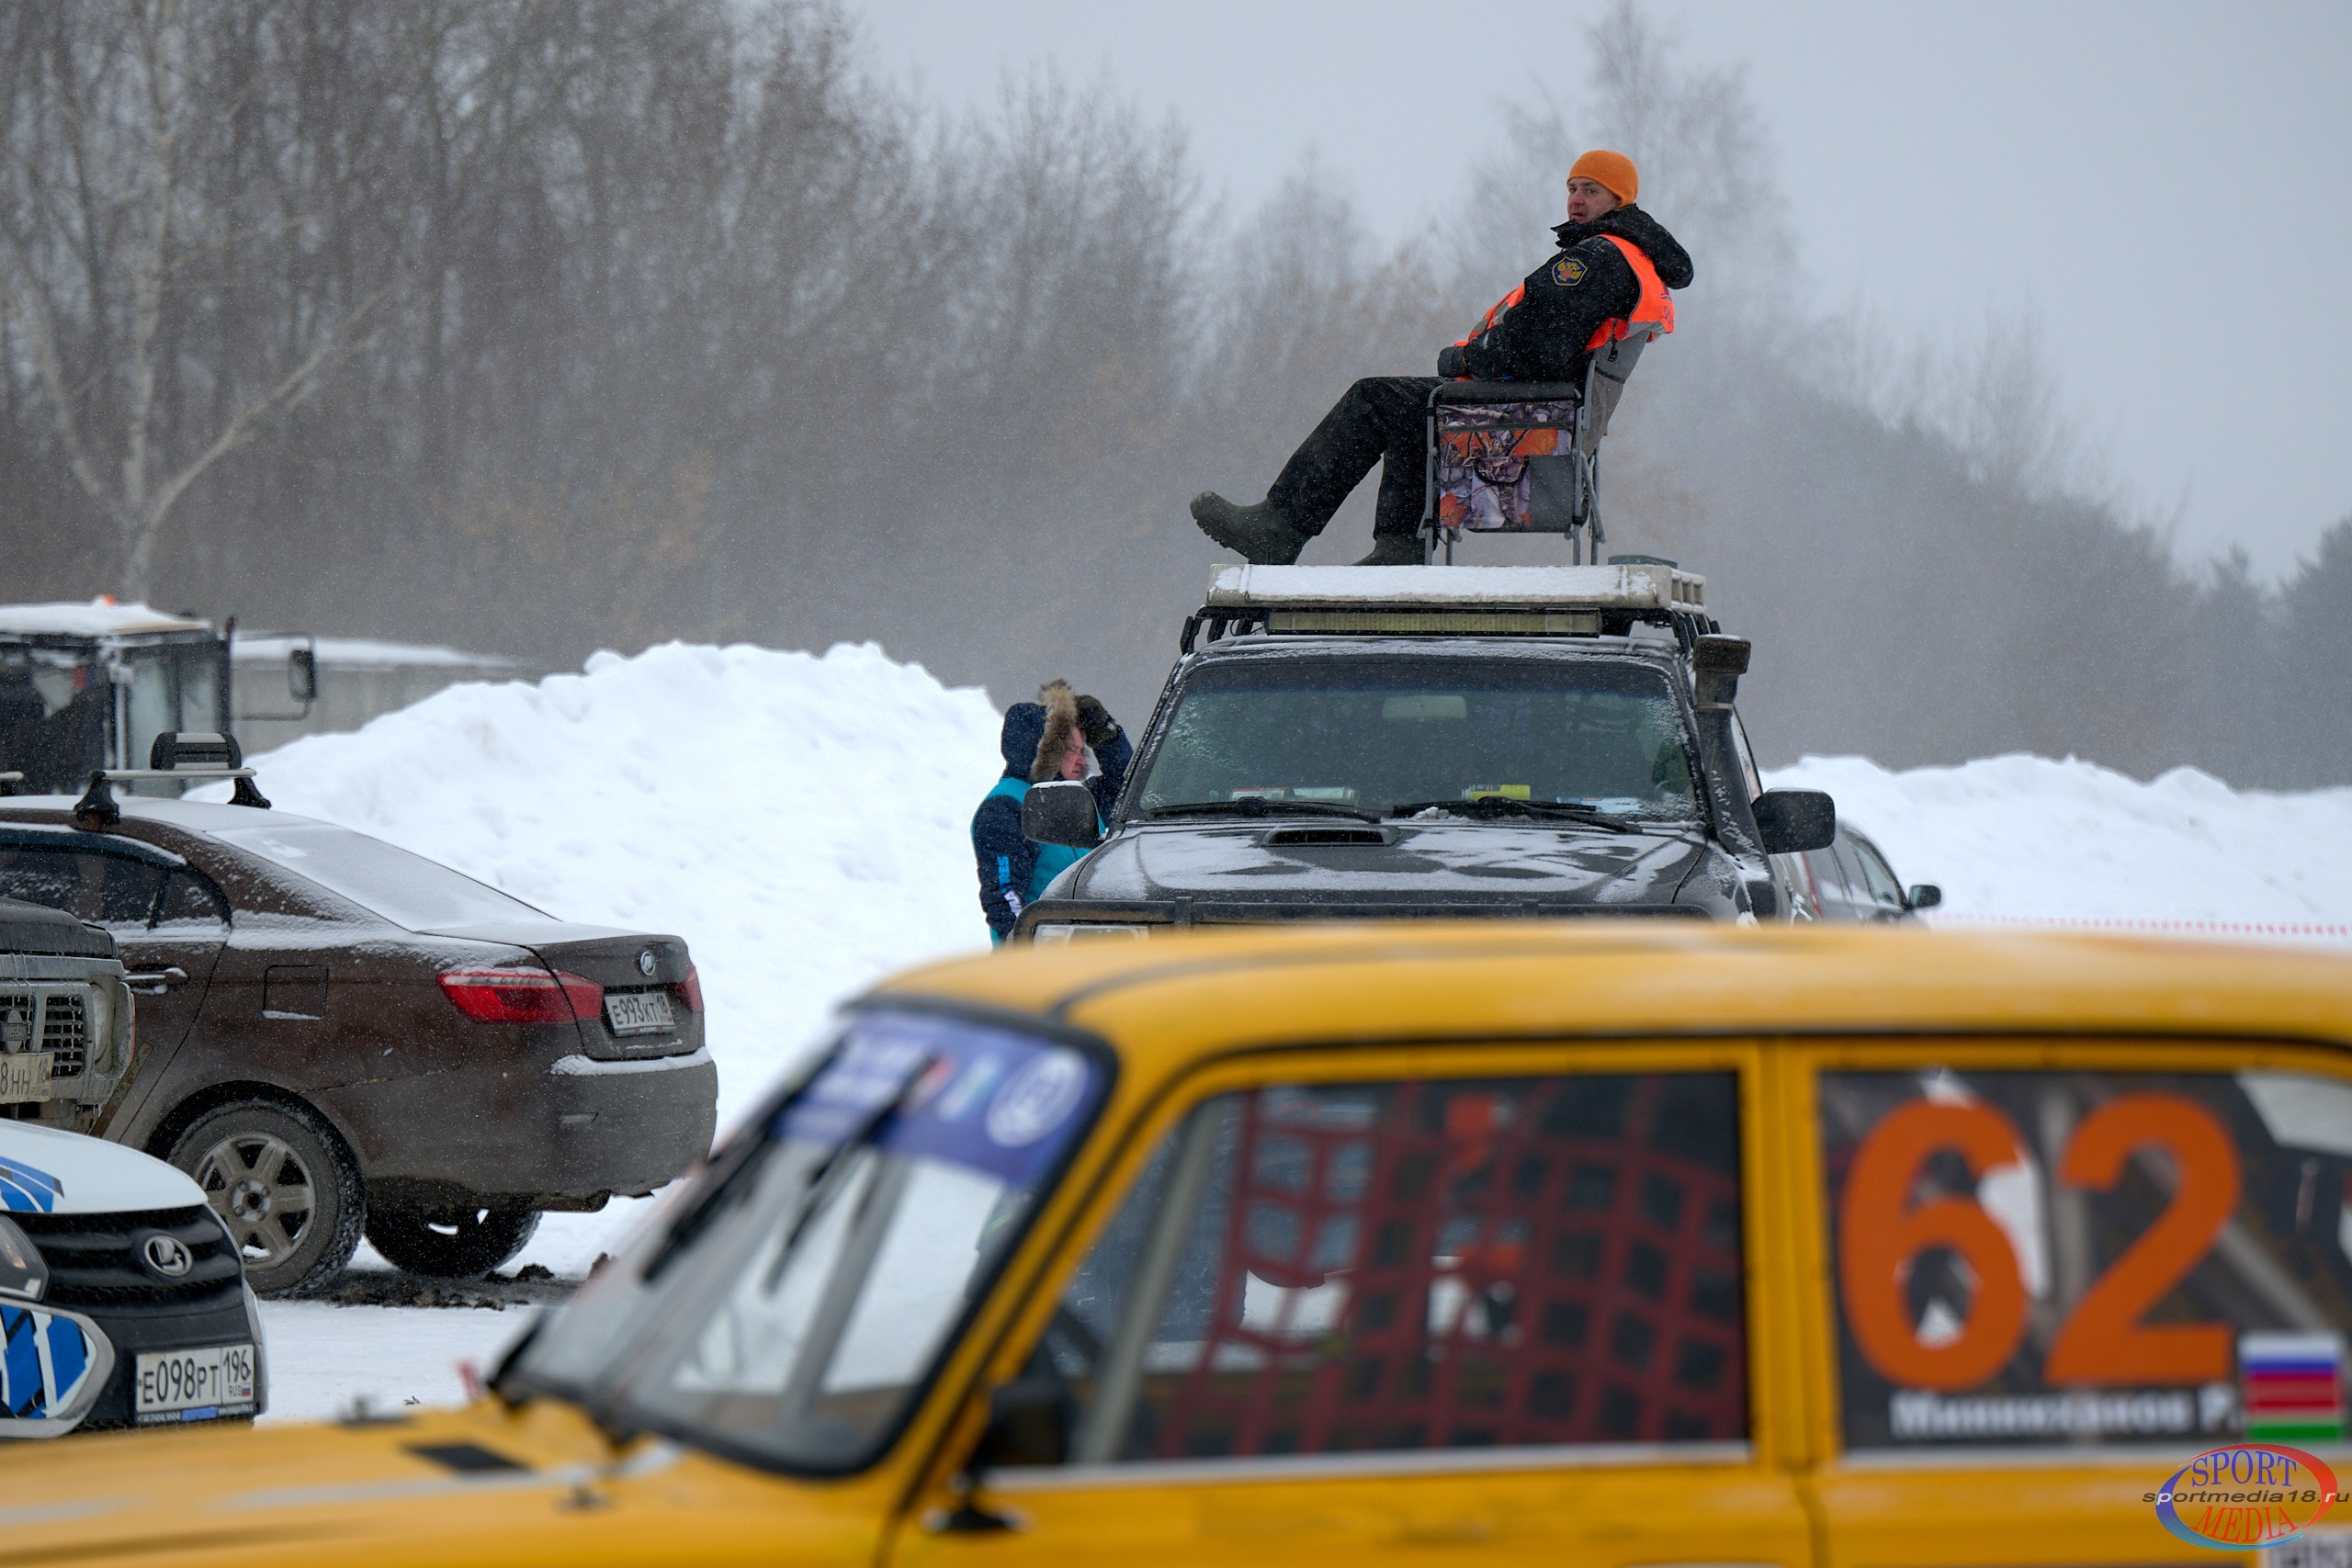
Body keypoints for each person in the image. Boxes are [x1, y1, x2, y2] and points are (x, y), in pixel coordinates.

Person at [1191, 150, 1693, 566]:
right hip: (1558, 410)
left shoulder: (1596, 259)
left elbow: (1540, 348)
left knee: (1377, 398)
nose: (1577, 199)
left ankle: (1281, 527)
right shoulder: (1629, 259)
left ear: (1619, 199)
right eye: (1573, 187)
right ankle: (1396, 547)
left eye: (1592, 190)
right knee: (1415, 406)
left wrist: (1464, 360)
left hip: (1538, 410)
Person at [973, 681, 1131, 943]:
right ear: (1044, 750)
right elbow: (1005, 894)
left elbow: (1127, 789)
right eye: (1071, 750)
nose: (1082, 760)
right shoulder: (1006, 807)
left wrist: (1108, 738)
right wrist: (1025, 946)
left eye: (1083, 750)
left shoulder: (1077, 800)